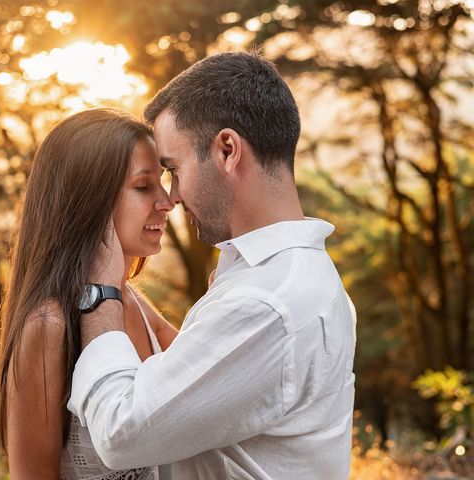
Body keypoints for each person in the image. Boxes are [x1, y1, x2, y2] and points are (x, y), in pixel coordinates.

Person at [68, 51, 357, 479]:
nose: (174, 196)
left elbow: (120, 433)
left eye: (174, 169)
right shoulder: (286, 275)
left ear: (227, 150)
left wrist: (101, 292)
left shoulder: (268, 304)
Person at [0, 108, 178, 479]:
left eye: (162, 181)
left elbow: (211, 378)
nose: (167, 201)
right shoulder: (48, 326)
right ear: (90, 200)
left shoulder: (137, 306)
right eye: (143, 187)